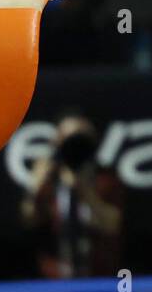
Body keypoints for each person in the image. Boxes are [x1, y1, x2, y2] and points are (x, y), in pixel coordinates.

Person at [20, 112, 125, 279]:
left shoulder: (106, 180)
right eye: (68, 140)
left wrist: (83, 189)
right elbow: (29, 219)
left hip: (99, 279)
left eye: (79, 140)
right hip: (55, 280)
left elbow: (111, 225)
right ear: (57, 143)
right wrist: (35, 185)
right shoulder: (49, 183)